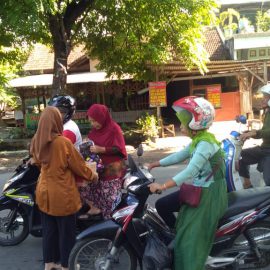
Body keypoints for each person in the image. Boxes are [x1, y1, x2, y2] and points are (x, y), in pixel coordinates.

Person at [147, 96, 228, 270]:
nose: (181, 126)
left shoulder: (205, 143)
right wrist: (155, 164)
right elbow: (179, 155)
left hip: (209, 194)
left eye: (184, 122)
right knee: (166, 208)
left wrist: (163, 185)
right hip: (199, 189)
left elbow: (190, 171)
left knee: (189, 238)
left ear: (196, 124)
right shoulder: (198, 140)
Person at [30, 106, 98, 270]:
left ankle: (49, 263)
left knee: (49, 231)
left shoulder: (36, 140)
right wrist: (93, 176)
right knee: (66, 233)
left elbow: (37, 162)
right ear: (55, 121)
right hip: (62, 193)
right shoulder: (62, 143)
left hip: (43, 191)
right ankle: (66, 265)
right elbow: (80, 167)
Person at [78, 104, 127, 219]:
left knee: (109, 199)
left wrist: (102, 149)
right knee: (86, 188)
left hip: (113, 169)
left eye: (95, 121)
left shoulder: (114, 129)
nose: (93, 124)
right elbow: (93, 142)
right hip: (99, 168)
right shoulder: (95, 131)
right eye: (91, 121)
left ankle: (112, 224)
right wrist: (88, 143)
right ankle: (98, 214)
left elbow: (119, 149)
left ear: (102, 117)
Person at [239, 83, 270, 188]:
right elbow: (264, 131)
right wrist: (249, 134)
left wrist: (255, 133)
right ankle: (247, 184)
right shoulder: (267, 113)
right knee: (241, 156)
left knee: (268, 181)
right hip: (264, 148)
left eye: (265, 97)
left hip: (268, 151)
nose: (262, 100)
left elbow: (267, 133)